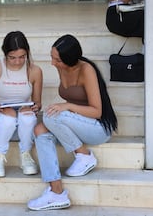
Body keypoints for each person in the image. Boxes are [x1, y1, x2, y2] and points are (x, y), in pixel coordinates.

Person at [27, 34, 117, 211]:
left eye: (57, 60)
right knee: (39, 130)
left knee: (51, 115)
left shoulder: (86, 70)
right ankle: (56, 192)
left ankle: (83, 155)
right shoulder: (62, 67)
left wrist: (67, 106)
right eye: (52, 57)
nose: (53, 63)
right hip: (75, 126)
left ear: (70, 59)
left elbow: (96, 111)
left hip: (96, 129)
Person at [0, 31, 42, 177]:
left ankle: (26, 155)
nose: (17, 62)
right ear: (5, 54)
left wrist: (35, 106)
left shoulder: (35, 71)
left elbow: (38, 102)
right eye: (12, 58)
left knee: (26, 115)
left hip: (23, 127)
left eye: (22, 57)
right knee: (9, 115)